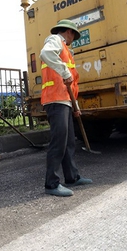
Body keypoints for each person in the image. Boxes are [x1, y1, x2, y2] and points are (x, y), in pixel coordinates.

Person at [39, 19, 93, 197]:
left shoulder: (65, 48)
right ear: (68, 32)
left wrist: (73, 106)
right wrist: (64, 71)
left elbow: (70, 83)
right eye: (73, 36)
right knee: (59, 142)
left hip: (64, 101)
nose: (73, 39)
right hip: (55, 100)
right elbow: (45, 54)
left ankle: (72, 177)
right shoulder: (54, 40)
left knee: (69, 142)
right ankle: (51, 184)